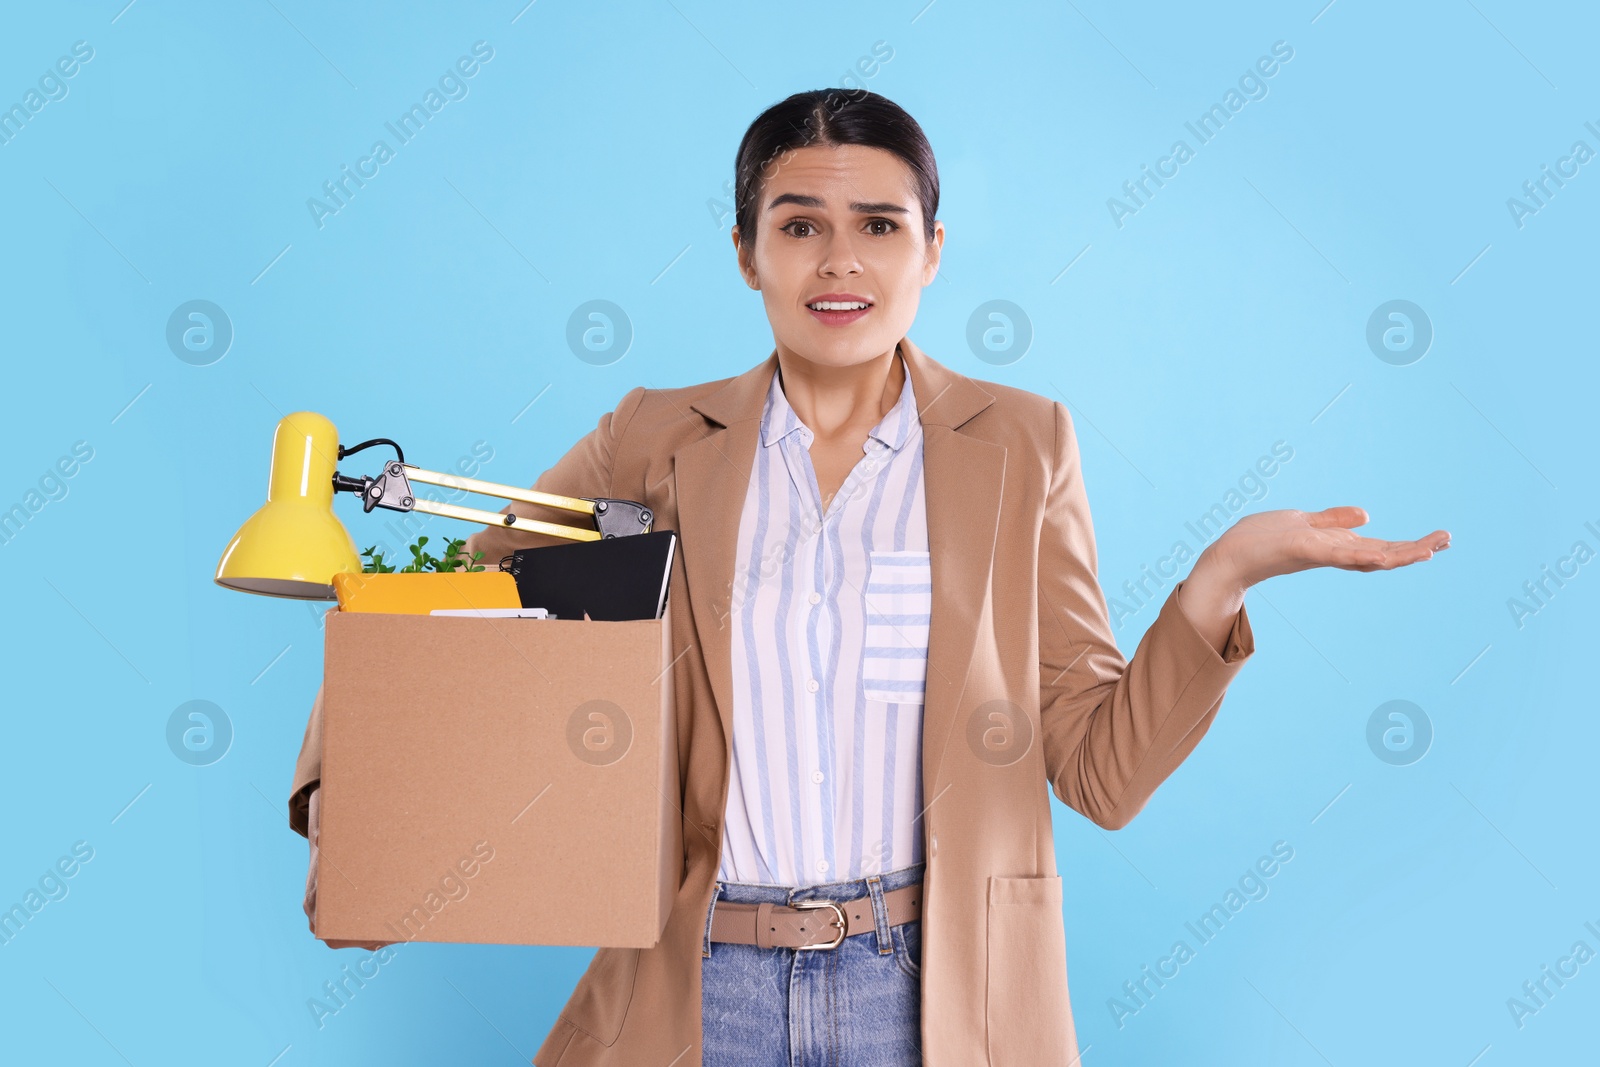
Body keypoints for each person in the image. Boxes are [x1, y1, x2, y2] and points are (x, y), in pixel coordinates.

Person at [290, 88, 1449, 1065]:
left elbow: (1097, 767)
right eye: (798, 226)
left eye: (880, 225)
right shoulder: (650, 440)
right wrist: (355, 816)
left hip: (934, 993)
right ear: (746, 251)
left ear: (931, 251)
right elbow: (446, 612)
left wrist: (1220, 578)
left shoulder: (1024, 443)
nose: (840, 259)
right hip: (706, 984)